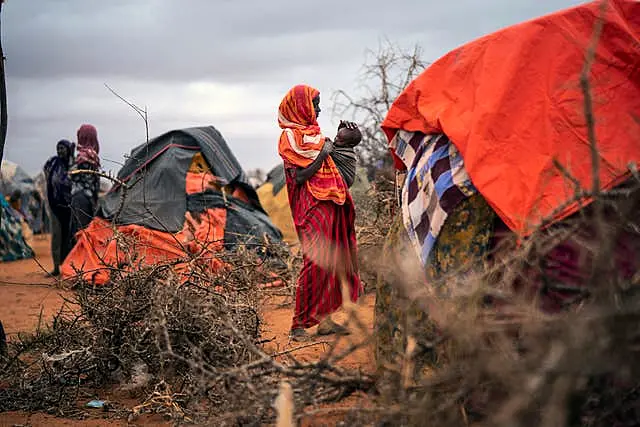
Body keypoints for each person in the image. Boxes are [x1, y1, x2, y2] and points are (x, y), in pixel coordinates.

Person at [277, 84, 363, 341]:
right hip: (310, 207)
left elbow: (338, 167)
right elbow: (300, 177)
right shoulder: (290, 138)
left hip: (330, 204)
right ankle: (298, 325)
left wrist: (343, 139)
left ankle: (325, 320)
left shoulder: (314, 135)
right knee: (314, 262)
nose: (319, 109)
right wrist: (322, 155)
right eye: (314, 104)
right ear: (301, 106)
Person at [44, 139, 74, 276]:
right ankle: (56, 267)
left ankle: (68, 267)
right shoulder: (53, 163)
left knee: (69, 237)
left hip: (70, 208)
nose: (60, 151)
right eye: (58, 148)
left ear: (68, 149)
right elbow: (48, 176)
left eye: (63, 148)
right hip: (55, 206)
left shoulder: (73, 164)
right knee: (56, 236)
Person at [68, 124, 101, 252]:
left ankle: (80, 265)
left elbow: (72, 176)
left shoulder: (82, 156)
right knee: (86, 232)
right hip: (89, 199)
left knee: (80, 233)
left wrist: (71, 160)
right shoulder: (93, 156)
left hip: (79, 199)